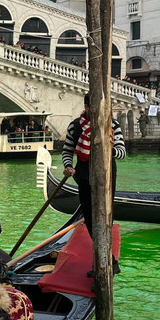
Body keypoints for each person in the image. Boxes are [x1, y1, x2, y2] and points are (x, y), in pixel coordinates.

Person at [61, 93, 126, 236]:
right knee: (89, 216)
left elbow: (122, 153)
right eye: (96, 108)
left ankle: (106, 252)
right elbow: (67, 151)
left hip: (106, 176)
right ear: (87, 108)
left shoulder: (112, 125)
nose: (100, 112)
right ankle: (95, 246)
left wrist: (109, 148)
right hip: (83, 176)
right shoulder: (75, 126)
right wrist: (68, 166)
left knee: (106, 213)